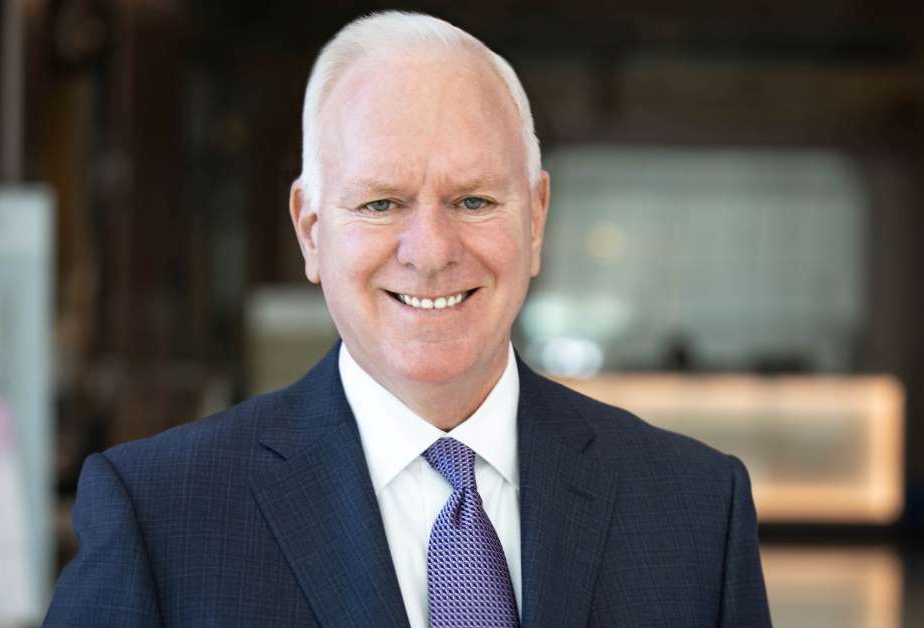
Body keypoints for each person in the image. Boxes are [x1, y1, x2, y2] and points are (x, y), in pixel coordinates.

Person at [44, 11, 772, 628]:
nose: (430, 252)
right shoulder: (160, 515)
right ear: (310, 231)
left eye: (474, 201)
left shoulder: (695, 510)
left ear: (536, 219)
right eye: (381, 203)